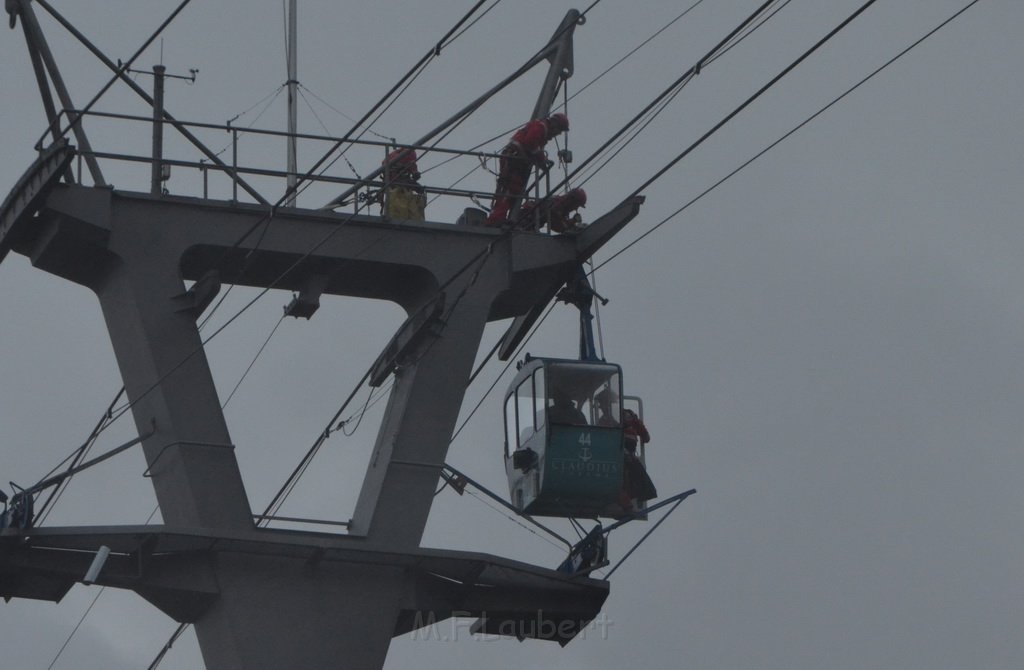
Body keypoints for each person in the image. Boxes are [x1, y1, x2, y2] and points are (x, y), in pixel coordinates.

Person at [486, 113, 569, 225]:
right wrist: (542, 159)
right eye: (559, 130)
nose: (557, 134)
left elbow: (532, 147)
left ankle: (500, 218)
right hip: (513, 159)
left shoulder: (541, 129)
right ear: (554, 125)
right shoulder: (540, 127)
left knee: (513, 191)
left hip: (517, 161)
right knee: (509, 189)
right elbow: (530, 143)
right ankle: (496, 219)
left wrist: (541, 160)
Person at [380, 148, 426, 221]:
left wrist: (414, 175)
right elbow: (402, 179)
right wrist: (414, 180)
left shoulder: (394, 157)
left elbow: (411, 169)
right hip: (396, 193)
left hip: (393, 189)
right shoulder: (407, 156)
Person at [518, 188, 587, 233]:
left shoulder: (561, 206)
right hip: (523, 222)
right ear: (571, 200)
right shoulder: (556, 205)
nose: (575, 209)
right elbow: (557, 226)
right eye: (576, 205)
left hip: (529, 225)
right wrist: (573, 223)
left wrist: (574, 223)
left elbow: (562, 222)